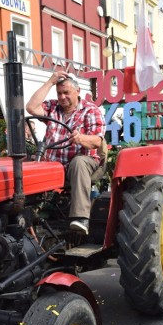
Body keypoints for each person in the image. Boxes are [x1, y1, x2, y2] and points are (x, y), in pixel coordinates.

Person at [26, 70, 105, 235]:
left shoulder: (91, 110)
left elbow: (97, 141)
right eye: (59, 93)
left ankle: (80, 218)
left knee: (79, 162)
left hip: (83, 162)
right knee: (26, 163)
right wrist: (50, 82)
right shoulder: (52, 107)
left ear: (78, 92)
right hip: (54, 164)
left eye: (66, 92)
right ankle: (26, 214)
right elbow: (31, 107)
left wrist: (81, 138)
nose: (62, 97)